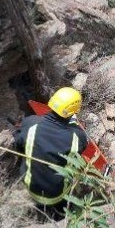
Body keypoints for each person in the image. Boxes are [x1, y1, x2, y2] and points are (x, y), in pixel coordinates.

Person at [15, 87, 88, 220]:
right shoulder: (77, 137)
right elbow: (81, 152)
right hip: (57, 196)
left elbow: (18, 145)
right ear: (73, 112)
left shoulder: (31, 123)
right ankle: (60, 215)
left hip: (31, 188)